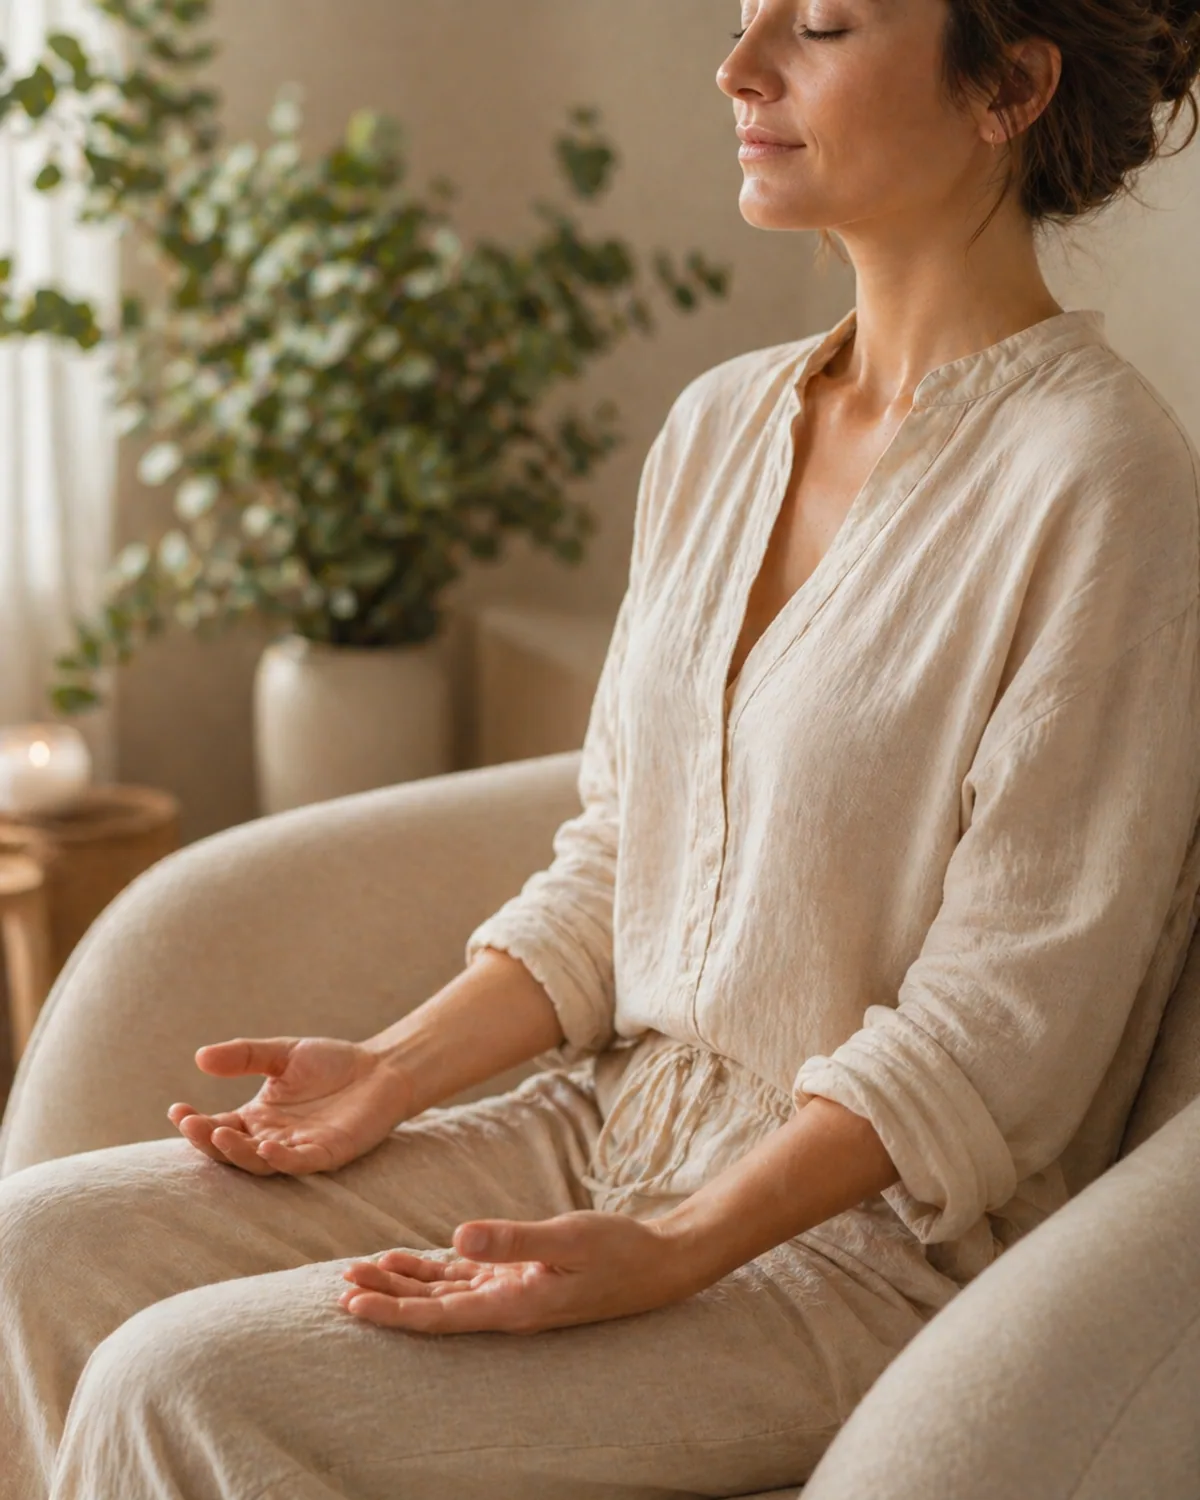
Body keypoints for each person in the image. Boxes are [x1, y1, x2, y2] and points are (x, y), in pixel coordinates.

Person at [4, 0, 1200, 1495]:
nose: (740, 66)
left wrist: (678, 1248)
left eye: (818, 23)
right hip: (606, 1118)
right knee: (34, 1252)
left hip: (865, 1250)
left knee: (176, 1391)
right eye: (743, 9)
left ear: (1009, 86)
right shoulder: (717, 428)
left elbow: (1002, 1033)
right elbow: (622, 859)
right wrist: (391, 1069)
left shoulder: (1104, 486)